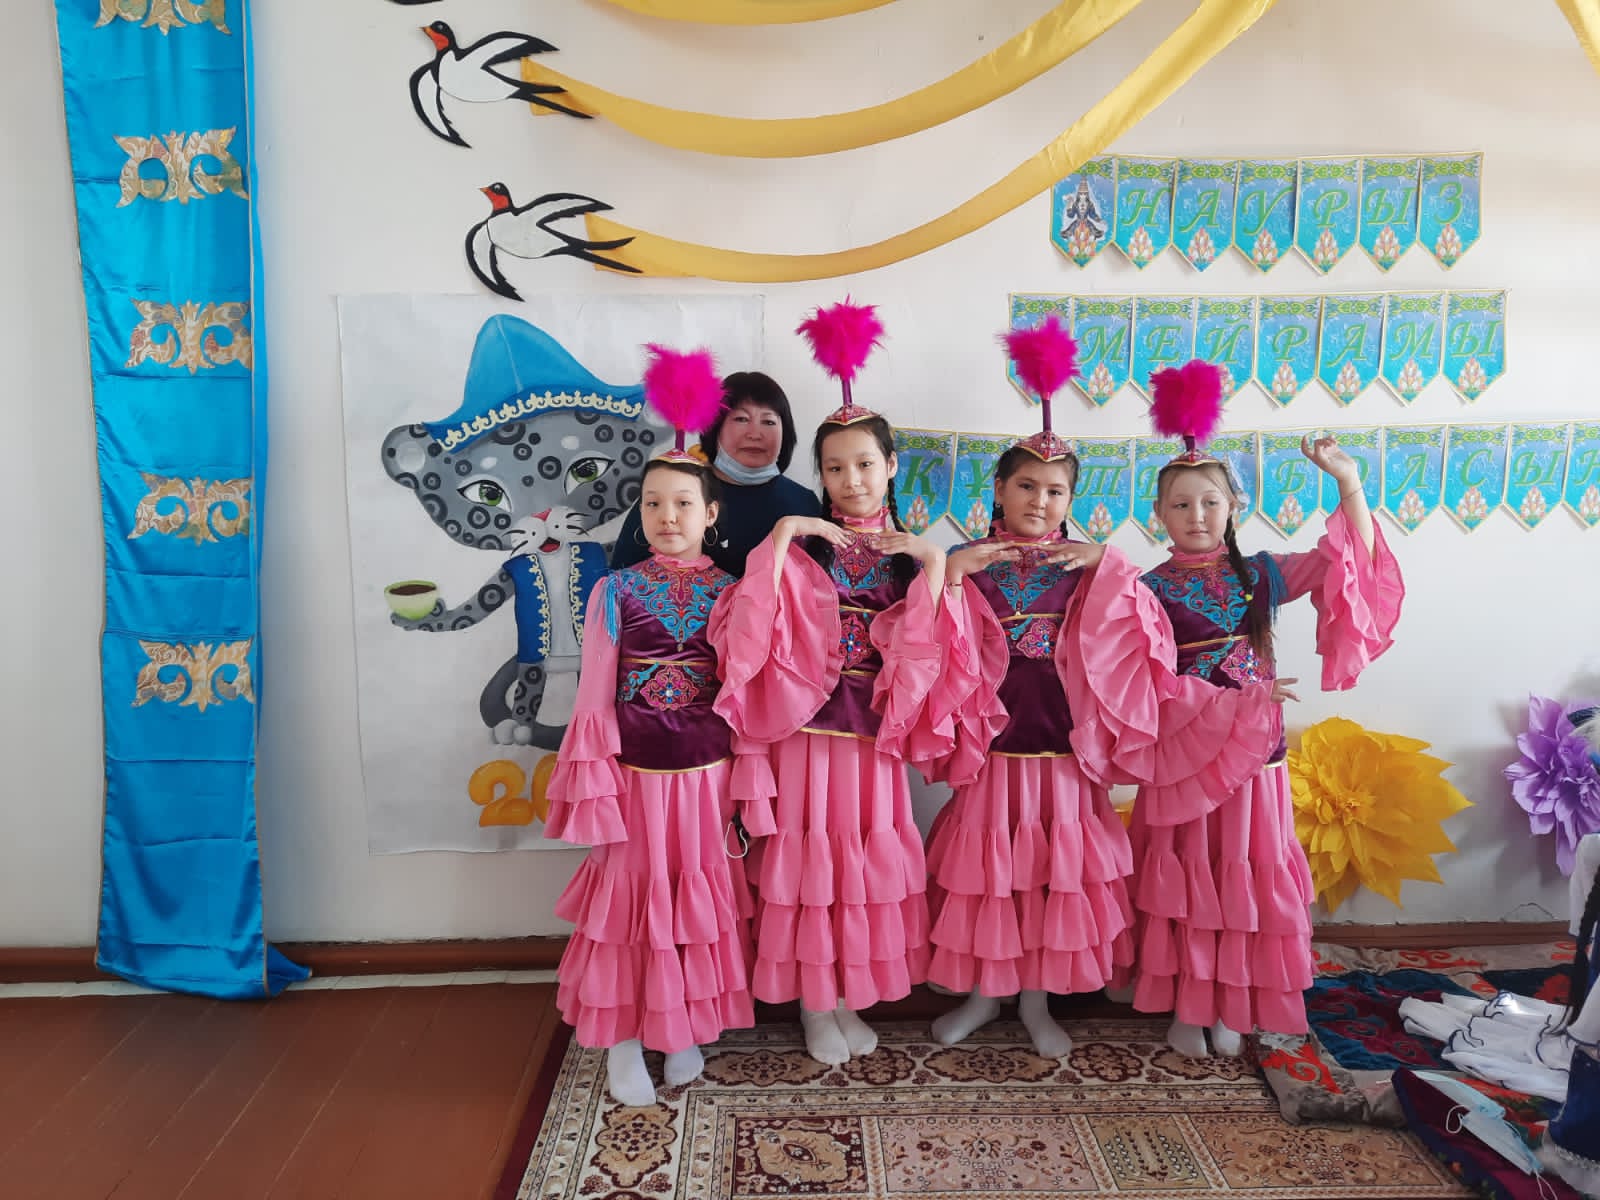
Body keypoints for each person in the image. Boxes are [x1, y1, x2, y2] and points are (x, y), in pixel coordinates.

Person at [922, 317, 1276, 1058]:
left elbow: (1144, 647)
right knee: (993, 878)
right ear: (999, 488)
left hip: (1066, 756)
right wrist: (951, 573)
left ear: (1071, 497)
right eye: (1026, 486)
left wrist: (1106, 562)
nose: (1040, 501)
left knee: (1053, 879)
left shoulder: (1092, 568)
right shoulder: (968, 561)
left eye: (1056, 491)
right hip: (993, 755)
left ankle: (1037, 1002)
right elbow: (925, 643)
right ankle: (985, 996)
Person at [1124, 358, 1405, 1058]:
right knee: (1190, 880)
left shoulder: (1262, 576)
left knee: (1244, 879)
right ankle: (1188, 1000)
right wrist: (1239, 700)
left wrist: (1348, 482)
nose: (1196, 516)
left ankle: (1232, 1002)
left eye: (1209, 502)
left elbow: (1352, 560)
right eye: (1180, 505)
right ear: (1158, 514)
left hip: (1257, 765)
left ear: (1234, 507)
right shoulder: (1146, 589)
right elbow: (1145, 683)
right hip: (1185, 761)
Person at [710, 300, 956, 1066]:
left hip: (871, 738)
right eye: (836, 467)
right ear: (819, 474)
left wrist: (934, 564)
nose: (851, 479)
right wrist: (784, 536)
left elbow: (933, 654)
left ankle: (847, 993)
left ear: (891, 466)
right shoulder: (800, 545)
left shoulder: (910, 555)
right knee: (810, 867)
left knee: (858, 870)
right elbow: (745, 629)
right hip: (804, 736)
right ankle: (816, 1005)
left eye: (865, 464)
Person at [545, 344, 760, 1106]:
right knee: (632, 906)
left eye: (683, 504)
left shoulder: (735, 593)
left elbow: (743, 694)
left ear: (711, 513)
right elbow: (593, 699)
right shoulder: (614, 591)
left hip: (706, 779)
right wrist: (596, 786)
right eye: (653, 504)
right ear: (639, 514)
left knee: (694, 904)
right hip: (634, 782)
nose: (668, 517)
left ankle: (684, 1027)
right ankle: (625, 1040)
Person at [611, 371, 821, 577]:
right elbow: (620, 579)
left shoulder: (804, 503)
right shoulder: (673, 490)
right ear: (715, 428)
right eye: (741, 419)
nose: (755, 434)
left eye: (768, 422)